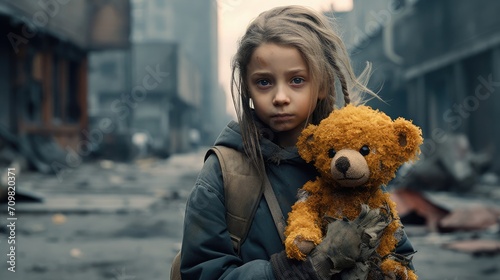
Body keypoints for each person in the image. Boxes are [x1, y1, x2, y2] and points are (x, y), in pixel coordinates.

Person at [179, 5, 416, 279]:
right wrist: (301, 270)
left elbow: (400, 254)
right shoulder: (224, 173)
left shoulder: (351, 163)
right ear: (247, 87)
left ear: (324, 84)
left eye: (297, 80)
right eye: (264, 82)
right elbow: (202, 272)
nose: (280, 97)